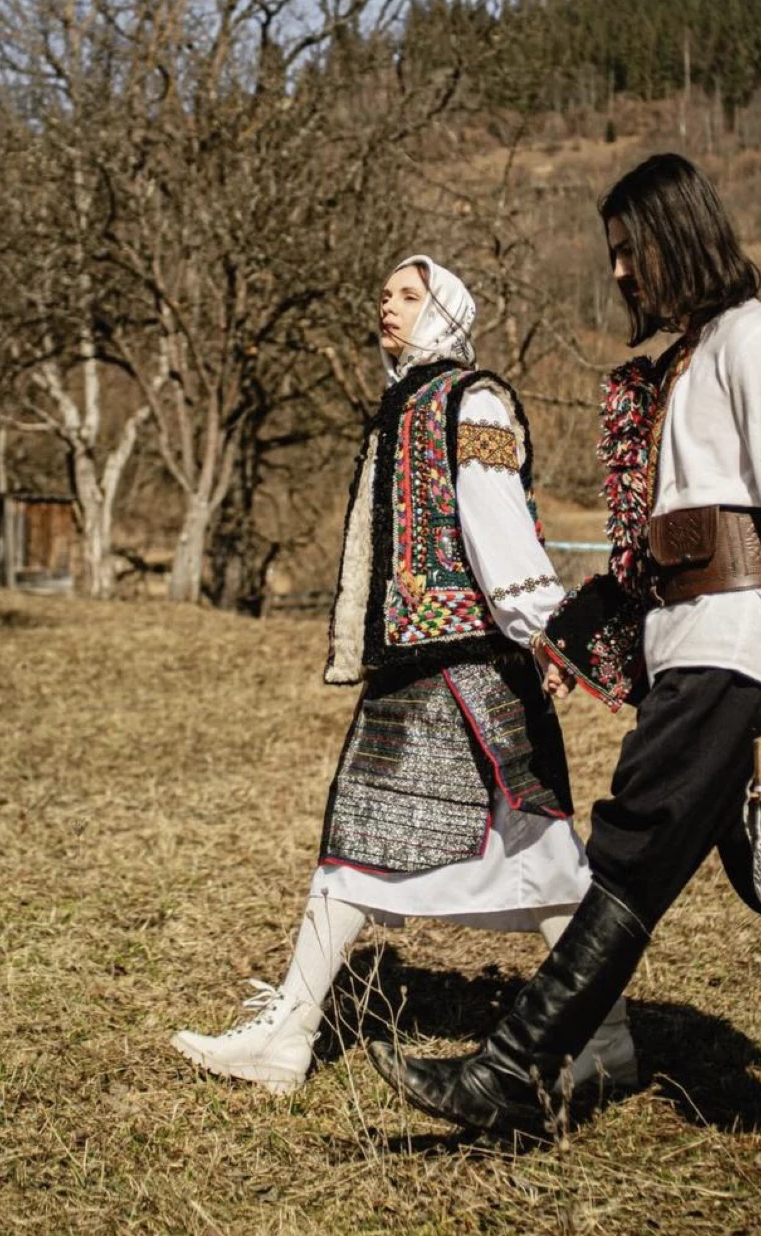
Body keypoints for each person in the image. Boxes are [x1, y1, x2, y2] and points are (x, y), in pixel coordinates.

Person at [370, 159, 761, 1179]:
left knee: (632, 848)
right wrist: (579, 638)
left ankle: (512, 1068)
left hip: (746, 647)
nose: (622, 271)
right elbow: (654, 550)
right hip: (699, 645)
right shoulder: (688, 363)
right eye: (615, 254)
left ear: (680, 234)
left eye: (632, 249)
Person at [172, 255, 635, 1096]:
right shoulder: (402, 406)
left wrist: (548, 634)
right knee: (408, 845)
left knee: (535, 853)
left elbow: (499, 525)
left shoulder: (474, 402)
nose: (389, 306)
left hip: (469, 674)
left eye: (410, 296)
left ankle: (601, 1038)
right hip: (417, 670)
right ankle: (293, 1031)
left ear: (448, 310)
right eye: (385, 294)